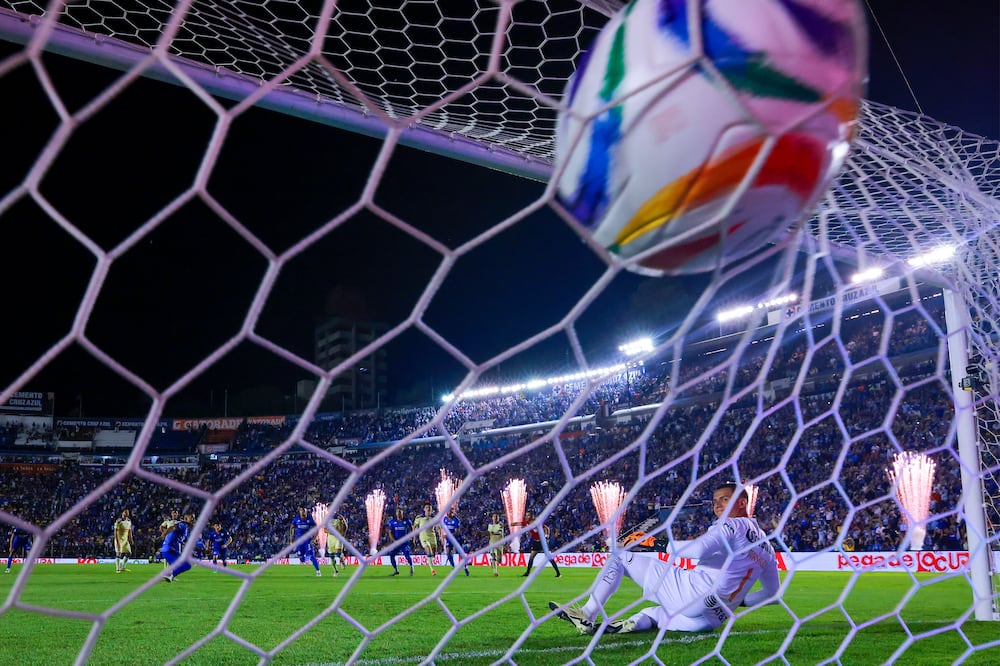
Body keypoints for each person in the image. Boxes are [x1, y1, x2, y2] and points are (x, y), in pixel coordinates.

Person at [550, 483, 780, 635]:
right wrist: (734, 601)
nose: (717, 505)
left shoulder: (732, 525)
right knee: (653, 612)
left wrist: (655, 543)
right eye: (715, 500)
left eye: (724, 499)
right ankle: (631, 624)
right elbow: (772, 594)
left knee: (619, 557)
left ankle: (587, 614)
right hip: (709, 620)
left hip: (692, 593)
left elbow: (698, 552)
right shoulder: (766, 548)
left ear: (742, 503)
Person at [520, 511, 561, 578]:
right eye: (526, 515)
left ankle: (558, 573)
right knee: (531, 557)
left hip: (542, 542)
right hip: (536, 542)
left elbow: (546, 528)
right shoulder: (528, 523)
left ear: (531, 516)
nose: (526, 517)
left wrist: (547, 536)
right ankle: (527, 573)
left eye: (528, 515)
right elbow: (519, 523)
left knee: (549, 558)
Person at [161, 513, 194, 582]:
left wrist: (203, 551)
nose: (193, 519)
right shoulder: (183, 524)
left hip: (172, 549)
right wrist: (164, 533)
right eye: (191, 518)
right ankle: (170, 575)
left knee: (185, 564)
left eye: (193, 518)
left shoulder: (185, 529)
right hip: (169, 549)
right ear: (185, 519)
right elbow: (172, 527)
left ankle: (171, 575)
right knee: (186, 564)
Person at [292, 506, 322, 577]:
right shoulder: (296, 520)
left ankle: (318, 571)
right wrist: (291, 539)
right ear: (300, 512)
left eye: (304, 511)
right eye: (302, 511)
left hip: (308, 541)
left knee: (311, 556)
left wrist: (314, 539)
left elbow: (317, 529)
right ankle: (306, 558)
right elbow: (292, 528)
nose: (303, 512)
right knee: (301, 559)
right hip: (299, 542)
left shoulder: (310, 520)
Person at [385, 507, 415, 576]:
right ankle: (396, 570)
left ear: (402, 513)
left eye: (400, 512)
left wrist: (412, 538)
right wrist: (394, 541)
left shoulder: (407, 521)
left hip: (405, 543)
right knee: (391, 555)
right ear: (396, 513)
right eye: (398, 512)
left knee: (407, 556)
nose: (399, 514)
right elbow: (390, 532)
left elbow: (412, 529)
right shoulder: (393, 522)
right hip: (397, 543)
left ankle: (411, 567)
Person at [412, 503, 439, 576]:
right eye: (427, 507)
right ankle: (432, 570)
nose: (428, 509)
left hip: (432, 537)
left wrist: (440, 535)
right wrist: (414, 537)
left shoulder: (434, 518)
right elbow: (414, 526)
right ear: (424, 509)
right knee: (428, 549)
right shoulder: (419, 518)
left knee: (433, 553)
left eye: (429, 507)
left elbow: (438, 527)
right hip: (423, 538)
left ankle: (431, 560)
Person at [441, 507, 469, 576]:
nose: (451, 513)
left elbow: (457, 531)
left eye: (452, 512)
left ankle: (465, 568)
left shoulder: (456, 520)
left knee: (461, 554)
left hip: (456, 539)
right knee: (447, 552)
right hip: (449, 539)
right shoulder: (445, 519)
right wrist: (443, 535)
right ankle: (453, 567)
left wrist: (448, 535)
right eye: (450, 511)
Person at [113, 508, 135, 573]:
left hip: (125, 540)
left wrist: (131, 539)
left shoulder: (129, 521)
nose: (126, 513)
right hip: (119, 539)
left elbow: (129, 530)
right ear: (122, 513)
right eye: (125, 512)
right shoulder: (118, 521)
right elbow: (115, 531)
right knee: (118, 553)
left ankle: (123, 567)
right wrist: (117, 540)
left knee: (129, 553)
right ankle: (117, 569)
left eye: (127, 512)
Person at [486, 512, 505, 577]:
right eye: (494, 517)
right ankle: (495, 571)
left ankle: (493, 562)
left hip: (499, 543)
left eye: (497, 517)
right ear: (492, 518)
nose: (495, 518)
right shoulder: (490, 525)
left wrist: (492, 533)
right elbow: (489, 533)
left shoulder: (500, 525)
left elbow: (499, 533)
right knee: (494, 556)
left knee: (499, 560)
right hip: (492, 542)